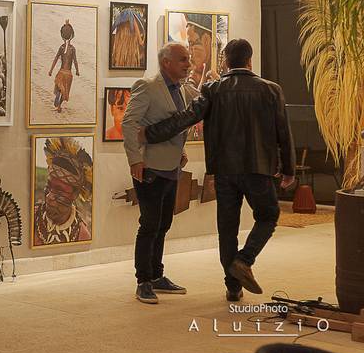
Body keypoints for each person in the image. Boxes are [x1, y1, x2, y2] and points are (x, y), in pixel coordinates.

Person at [140, 39, 295, 301]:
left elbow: (186, 118)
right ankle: (244, 260)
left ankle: (233, 286)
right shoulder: (271, 90)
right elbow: (284, 132)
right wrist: (289, 168)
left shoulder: (213, 89)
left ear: (226, 61)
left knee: (227, 228)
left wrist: (150, 133)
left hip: (224, 170)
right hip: (259, 168)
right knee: (268, 216)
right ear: (249, 60)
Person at [122, 42, 191, 304]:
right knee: (149, 224)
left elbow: (176, 125)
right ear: (166, 62)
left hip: (171, 166)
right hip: (150, 166)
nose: (188, 64)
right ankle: (143, 281)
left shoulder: (180, 88)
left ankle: (157, 275)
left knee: (164, 224)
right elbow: (129, 123)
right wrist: (135, 160)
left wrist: (181, 150)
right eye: (183, 59)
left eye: (188, 59)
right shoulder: (148, 86)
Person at [32, 136, 92, 246]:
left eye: (59, 191)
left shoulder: (82, 236)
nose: (49, 197)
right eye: (48, 186)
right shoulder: (30, 217)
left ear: (75, 194)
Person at [48, 20, 79, 113]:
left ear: (62, 36)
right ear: (72, 36)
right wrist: (77, 71)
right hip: (68, 74)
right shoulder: (72, 49)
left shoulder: (61, 47)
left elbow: (56, 58)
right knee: (65, 91)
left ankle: (58, 95)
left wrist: (51, 70)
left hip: (61, 72)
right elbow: (75, 61)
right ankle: (59, 106)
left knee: (59, 86)